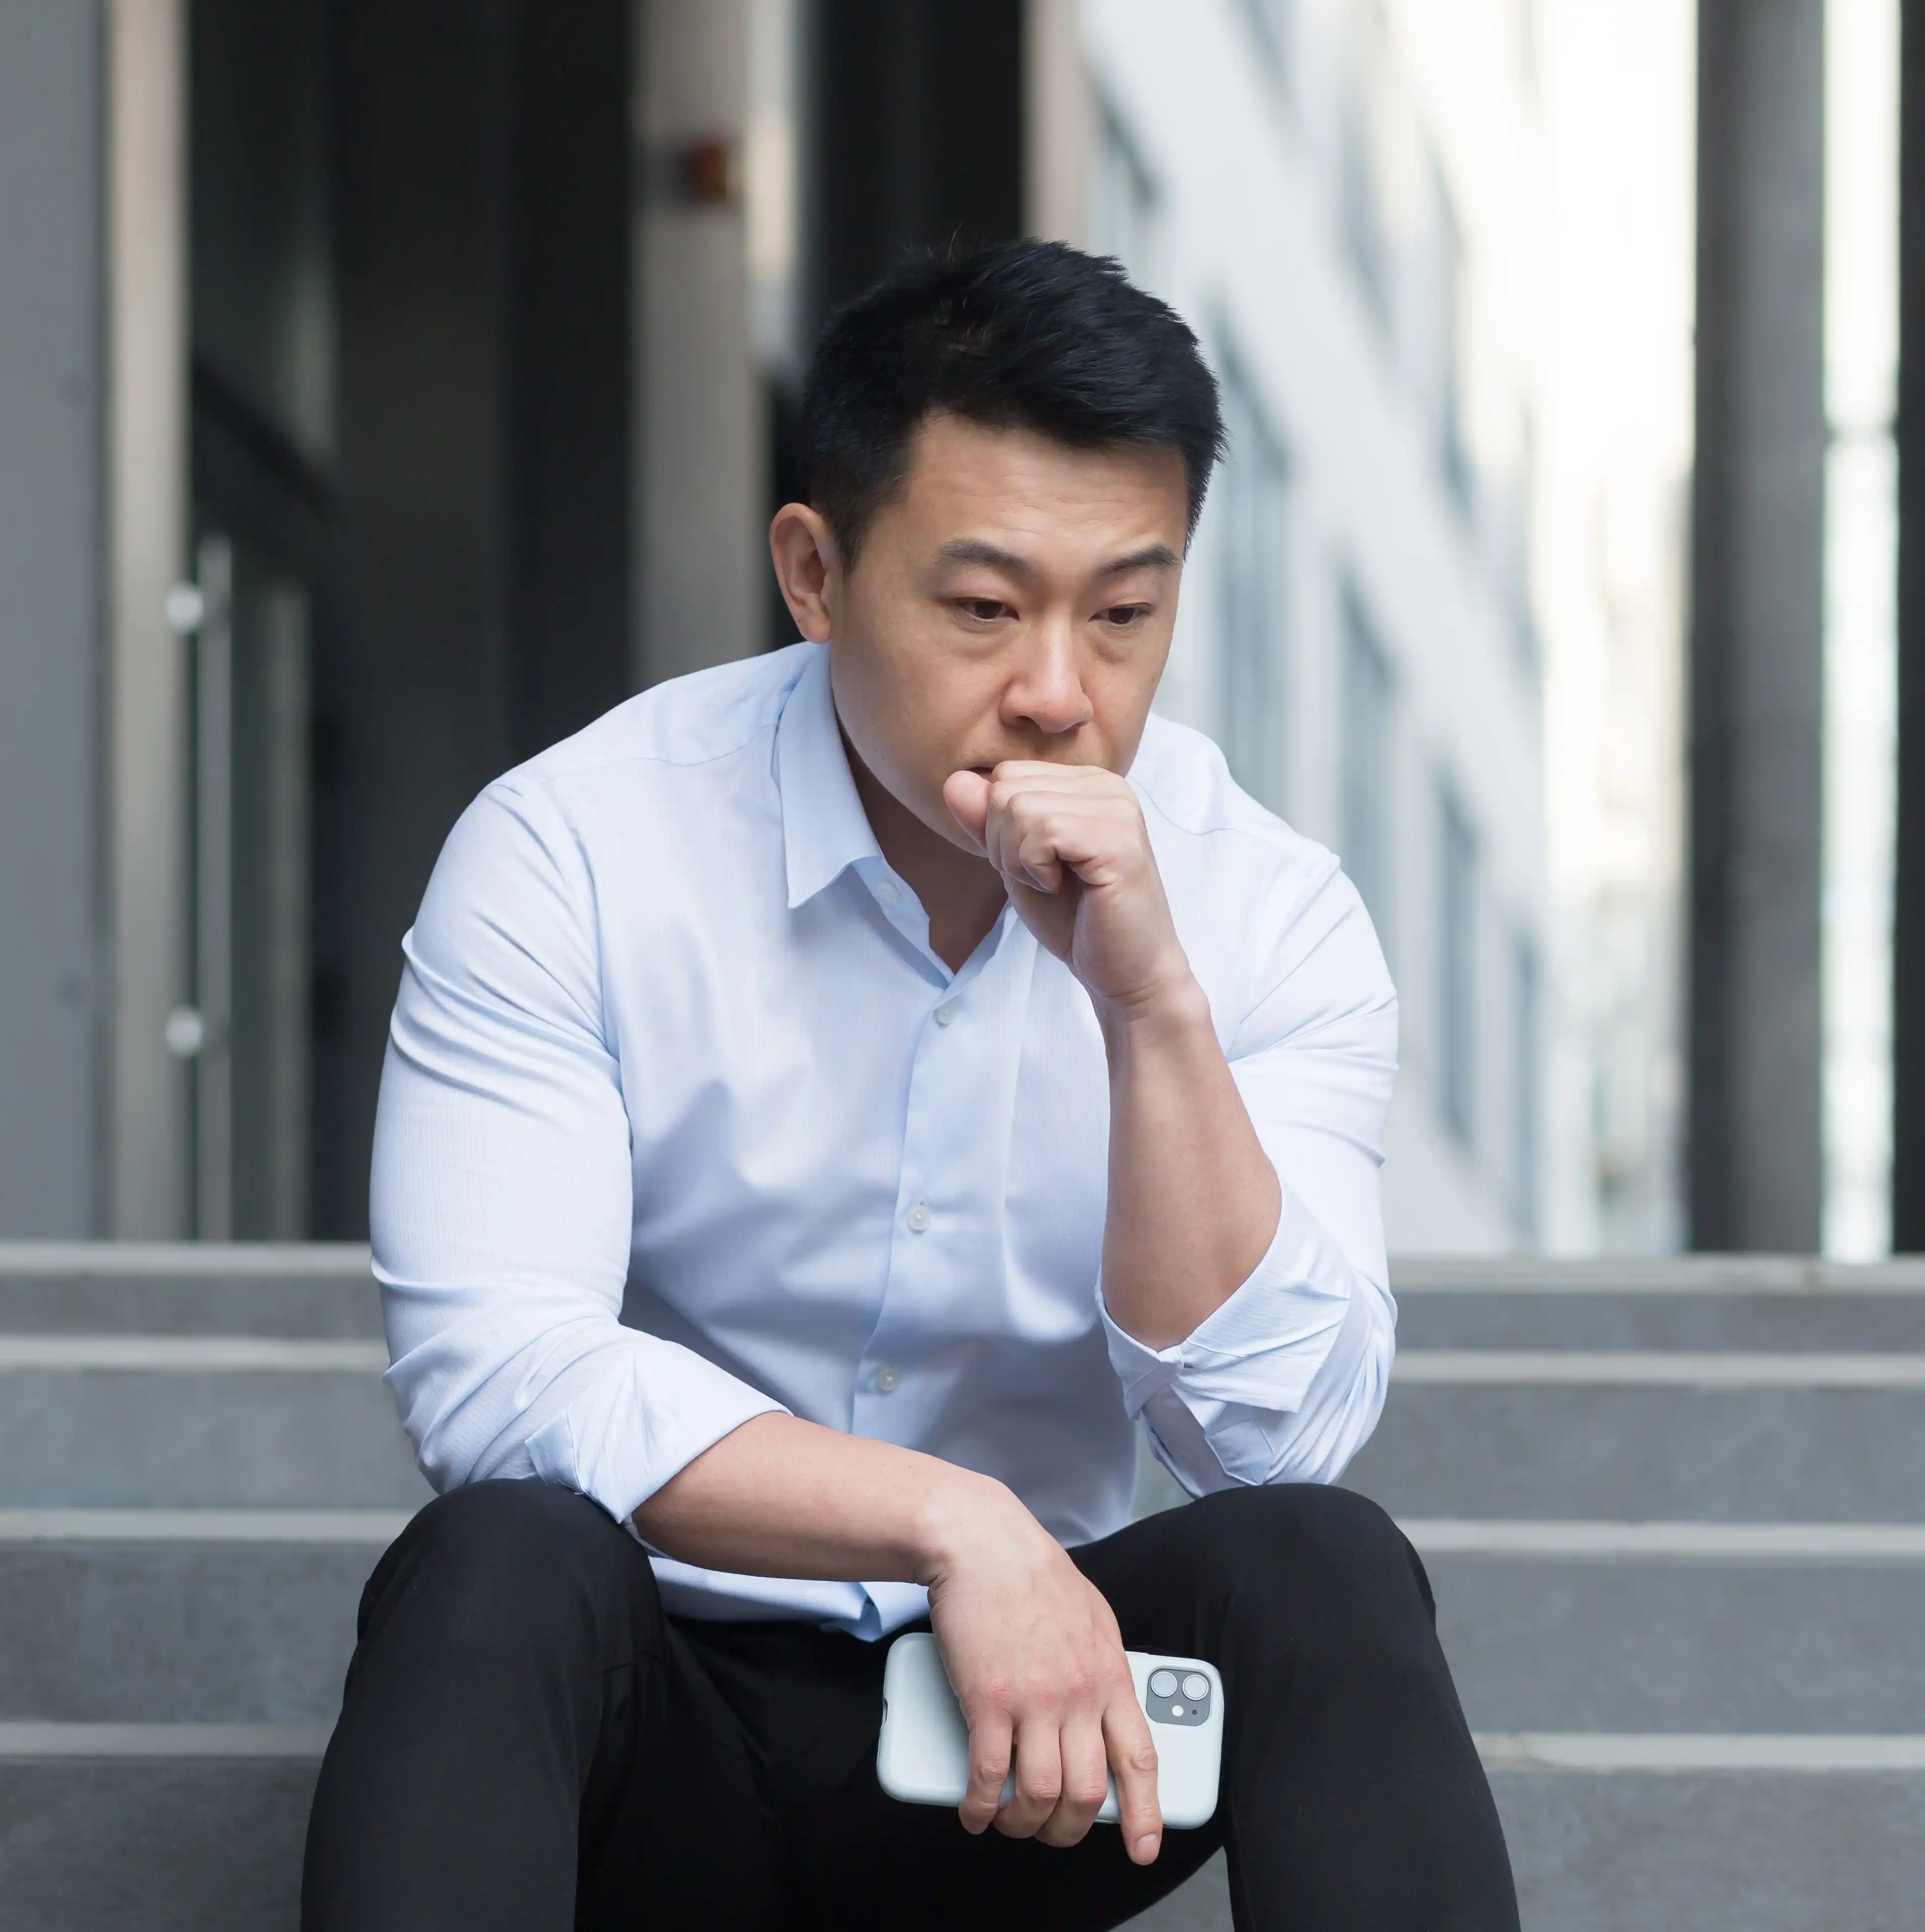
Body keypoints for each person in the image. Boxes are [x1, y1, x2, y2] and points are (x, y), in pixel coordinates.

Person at [301, 238, 1518, 1931]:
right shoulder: (574, 847)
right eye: (983, 607)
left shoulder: (1266, 906)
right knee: (495, 1561)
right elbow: (497, 1376)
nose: (1057, 694)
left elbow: (1282, 1436)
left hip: (1036, 1761)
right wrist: (953, 1525)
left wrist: (1150, 1002)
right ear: (813, 571)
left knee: (1323, 1567)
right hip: (652, 1730)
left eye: (1123, 614)